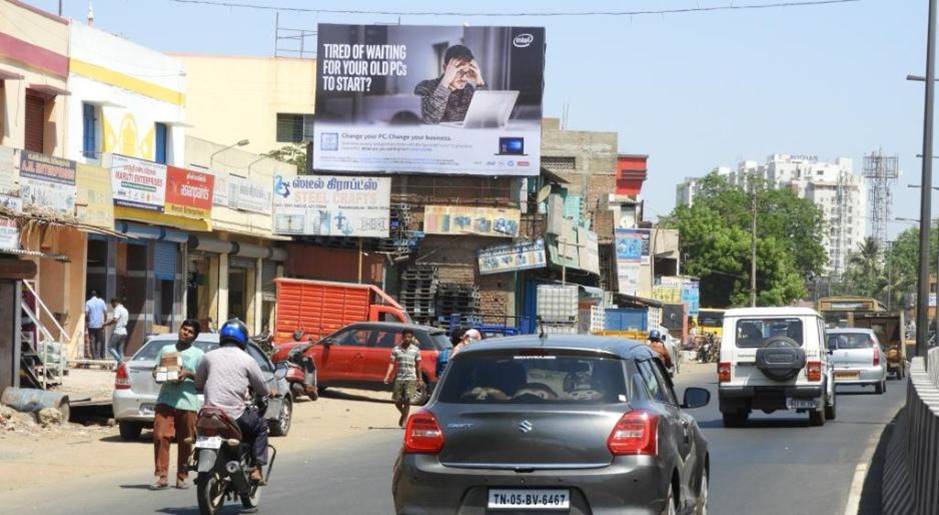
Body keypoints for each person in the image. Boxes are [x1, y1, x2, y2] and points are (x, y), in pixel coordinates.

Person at [195, 318, 273, 483]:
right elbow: (261, 389)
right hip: (234, 415)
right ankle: (257, 468)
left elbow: (198, 383)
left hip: (208, 413)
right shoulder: (247, 359)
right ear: (243, 338)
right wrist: (268, 392)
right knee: (260, 426)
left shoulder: (208, 357)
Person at [150, 319, 203, 490]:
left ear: (194, 337)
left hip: (187, 402)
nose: (185, 333)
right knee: (160, 436)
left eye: (190, 332)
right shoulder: (166, 350)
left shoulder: (199, 355)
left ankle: (182, 476)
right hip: (165, 400)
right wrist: (160, 374)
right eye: (184, 329)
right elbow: (155, 370)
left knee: (186, 441)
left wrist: (187, 374)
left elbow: (202, 380)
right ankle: (162, 476)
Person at [414, 44, 486, 124]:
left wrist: (480, 81)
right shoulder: (424, 87)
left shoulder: (468, 89)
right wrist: (446, 82)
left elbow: (484, 116)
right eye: (459, 72)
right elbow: (430, 120)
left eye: (467, 72)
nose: (464, 78)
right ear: (445, 68)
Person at [383, 329, 424, 428]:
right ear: (402, 337)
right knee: (397, 401)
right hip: (400, 377)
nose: (407, 339)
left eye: (409, 337)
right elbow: (392, 364)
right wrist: (387, 375)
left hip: (411, 377)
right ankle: (404, 414)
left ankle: (405, 421)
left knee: (407, 400)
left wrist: (420, 379)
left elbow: (418, 366)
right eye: (406, 337)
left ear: (412, 338)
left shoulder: (415, 350)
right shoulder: (396, 349)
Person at [84, 290, 107, 360]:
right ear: (97, 295)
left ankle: (94, 356)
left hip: (91, 325)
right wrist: (104, 321)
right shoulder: (101, 301)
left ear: (90, 295)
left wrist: (87, 321)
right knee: (99, 340)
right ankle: (98, 355)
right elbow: (105, 313)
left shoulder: (88, 302)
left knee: (92, 340)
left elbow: (87, 314)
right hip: (100, 325)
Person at [105, 298, 129, 363]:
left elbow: (115, 320)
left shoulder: (117, 309)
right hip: (124, 332)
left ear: (115, 302)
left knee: (110, 347)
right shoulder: (125, 310)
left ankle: (120, 361)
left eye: (112, 304)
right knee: (120, 350)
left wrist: (106, 324)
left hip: (118, 331)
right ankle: (120, 367)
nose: (112, 306)